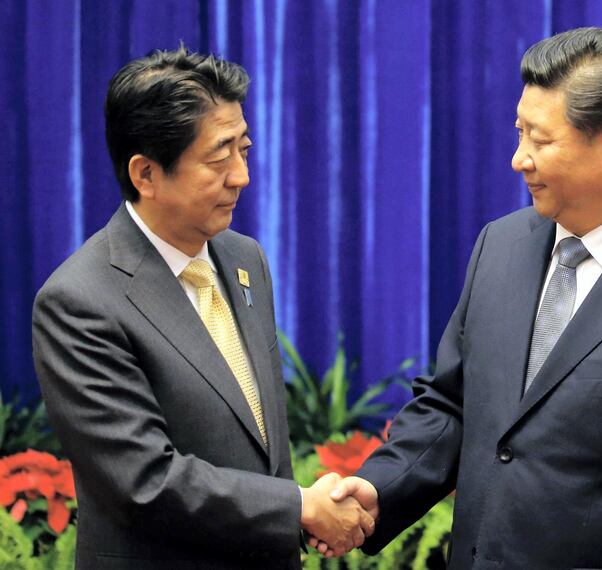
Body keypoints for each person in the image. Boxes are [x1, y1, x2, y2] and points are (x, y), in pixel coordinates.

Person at [319, 27, 602, 568]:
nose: (519, 159)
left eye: (540, 140)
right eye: (519, 134)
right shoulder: (501, 245)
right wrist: (379, 491)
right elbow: (453, 403)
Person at [32, 47, 372, 569]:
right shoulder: (80, 301)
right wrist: (300, 507)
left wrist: (301, 510)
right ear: (146, 174)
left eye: (245, 149)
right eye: (219, 157)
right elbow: (145, 481)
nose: (241, 176)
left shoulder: (243, 257)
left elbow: (253, 439)